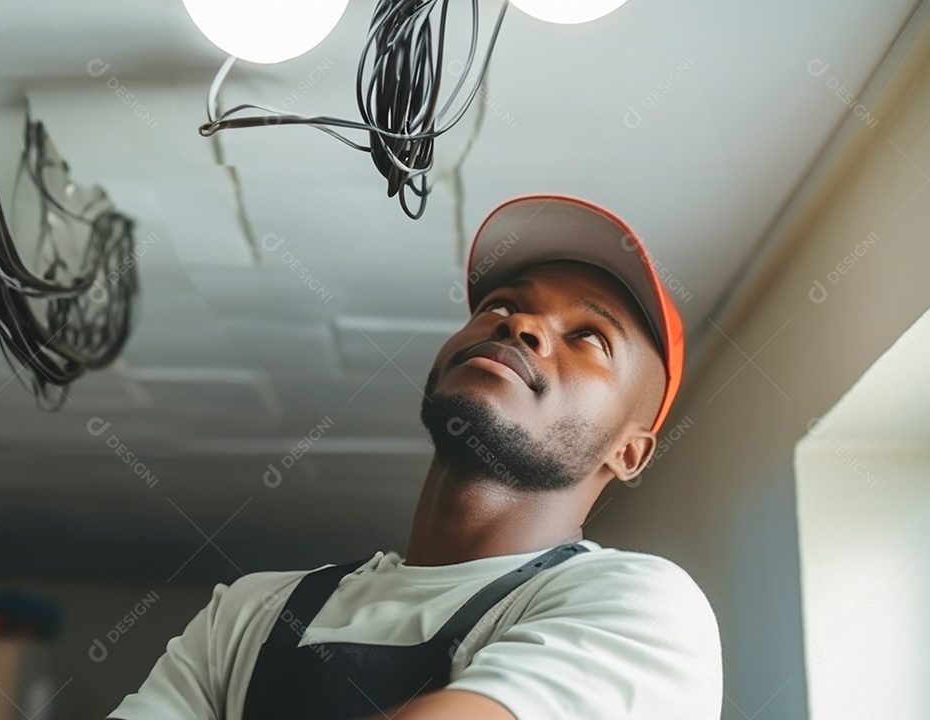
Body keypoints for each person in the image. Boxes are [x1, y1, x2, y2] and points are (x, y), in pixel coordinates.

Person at [107, 194, 722, 720]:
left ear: (629, 451)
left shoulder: (641, 605)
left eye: (589, 337)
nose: (522, 325)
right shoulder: (248, 613)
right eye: (500, 306)